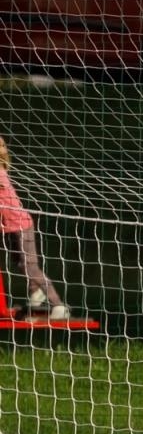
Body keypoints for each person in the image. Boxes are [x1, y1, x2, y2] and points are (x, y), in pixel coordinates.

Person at [0, 135, 70, 321]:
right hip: (9, 228)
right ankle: (35, 292)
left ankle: (58, 305)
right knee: (19, 264)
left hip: (21, 225)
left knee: (30, 267)